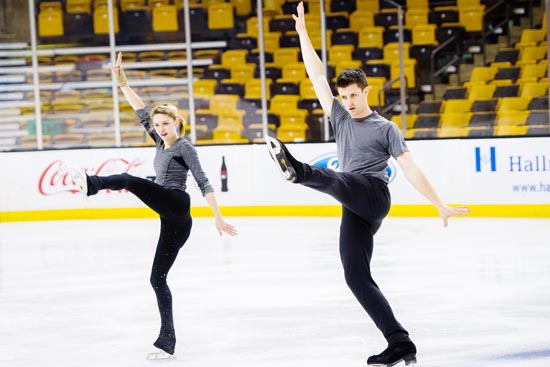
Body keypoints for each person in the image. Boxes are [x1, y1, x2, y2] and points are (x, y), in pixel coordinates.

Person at [265, 2, 471, 366]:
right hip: (353, 205)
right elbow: (316, 76)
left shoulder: (386, 128)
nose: (348, 102)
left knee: (338, 179)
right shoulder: (341, 118)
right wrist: (301, 33)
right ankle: (400, 342)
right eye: (343, 97)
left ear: (367, 90)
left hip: (374, 196)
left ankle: (298, 171)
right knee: (356, 277)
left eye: (353, 95)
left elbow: (410, 169)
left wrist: (438, 203)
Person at [68, 52, 237, 360]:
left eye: (165, 123)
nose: (159, 128)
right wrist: (121, 81)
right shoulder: (160, 142)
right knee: (157, 278)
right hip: (172, 220)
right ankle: (167, 340)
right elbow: (139, 109)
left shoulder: (184, 147)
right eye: (157, 124)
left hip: (176, 203)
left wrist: (218, 217)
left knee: (129, 180)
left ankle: (92, 184)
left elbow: (203, 182)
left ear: (177, 123)